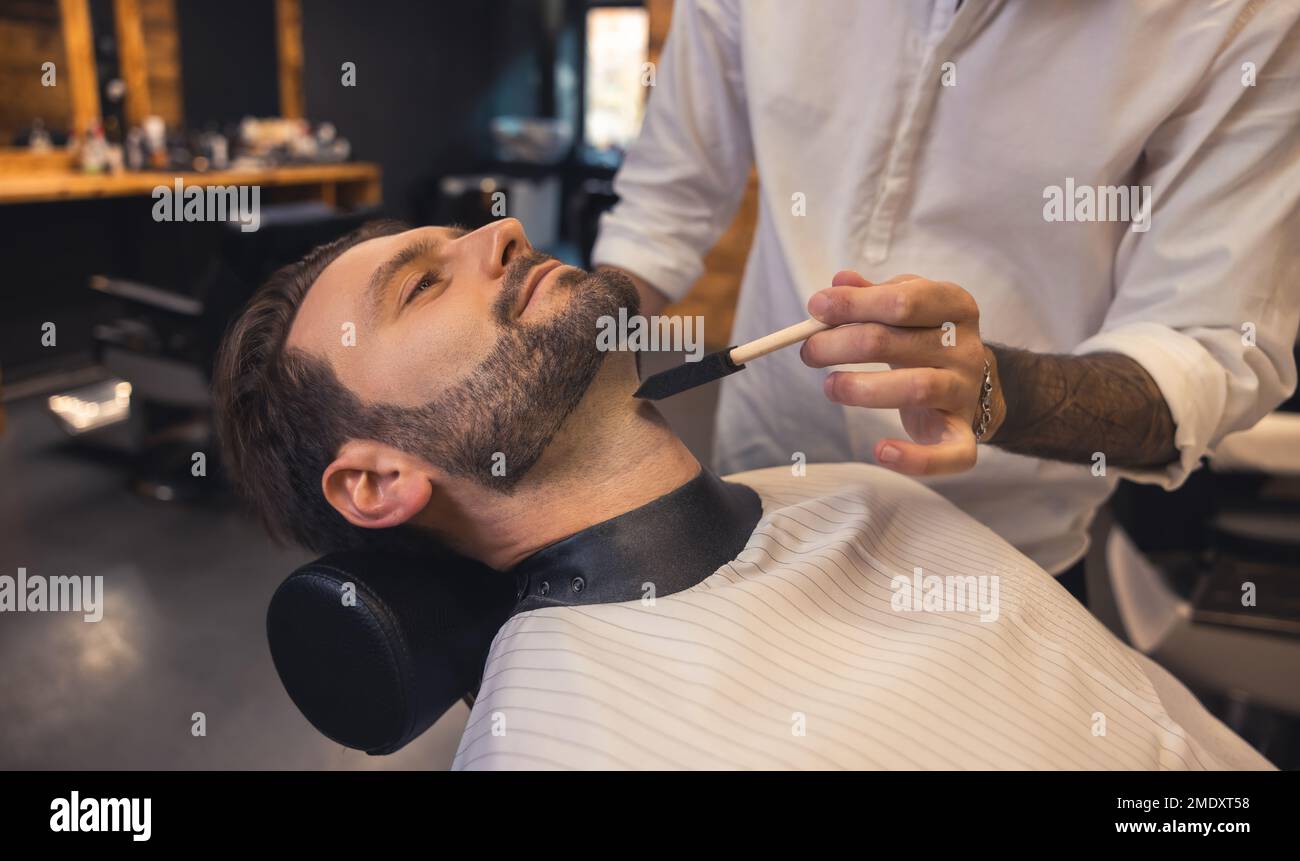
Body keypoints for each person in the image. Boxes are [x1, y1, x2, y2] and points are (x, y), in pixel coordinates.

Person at [212, 219, 1271, 769]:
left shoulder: (858, 492)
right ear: (378, 480)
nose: (501, 234)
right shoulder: (566, 743)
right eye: (422, 284)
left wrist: (1009, 386)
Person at [591, 0, 1300, 582]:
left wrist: (992, 386)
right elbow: (667, 198)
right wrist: (569, 356)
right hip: (760, 505)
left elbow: (1201, 348)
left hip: (1007, 564)